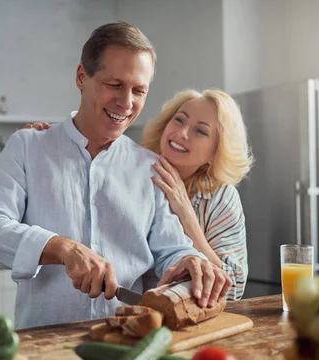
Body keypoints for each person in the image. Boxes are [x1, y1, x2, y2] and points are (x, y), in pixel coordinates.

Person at [0, 21, 231, 330]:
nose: (127, 102)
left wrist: (188, 259)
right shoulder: (28, 147)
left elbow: (171, 249)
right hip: (42, 341)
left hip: (128, 341)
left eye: (139, 90)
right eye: (114, 85)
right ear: (82, 77)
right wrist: (62, 248)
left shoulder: (151, 167)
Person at [25, 88, 253, 300]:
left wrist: (187, 217)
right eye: (179, 120)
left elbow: (234, 287)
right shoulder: (131, 169)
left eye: (200, 131)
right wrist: (48, 142)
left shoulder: (221, 196)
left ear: (216, 151)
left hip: (193, 318)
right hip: (133, 313)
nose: (181, 132)